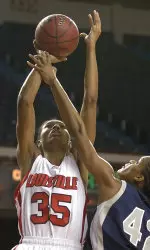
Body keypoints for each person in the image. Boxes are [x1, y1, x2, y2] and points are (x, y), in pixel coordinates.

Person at [27, 33, 150, 250]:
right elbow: (90, 102)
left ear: (140, 177)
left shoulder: (114, 185)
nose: (129, 162)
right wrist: (91, 48)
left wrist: (53, 80)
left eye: (135, 163)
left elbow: (81, 126)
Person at [12, 10, 101, 250]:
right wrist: (44, 63)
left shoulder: (80, 162)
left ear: (71, 142)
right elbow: (24, 103)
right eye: (49, 126)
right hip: (30, 245)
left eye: (61, 126)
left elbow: (90, 101)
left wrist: (91, 48)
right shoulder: (29, 160)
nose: (56, 127)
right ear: (37, 142)